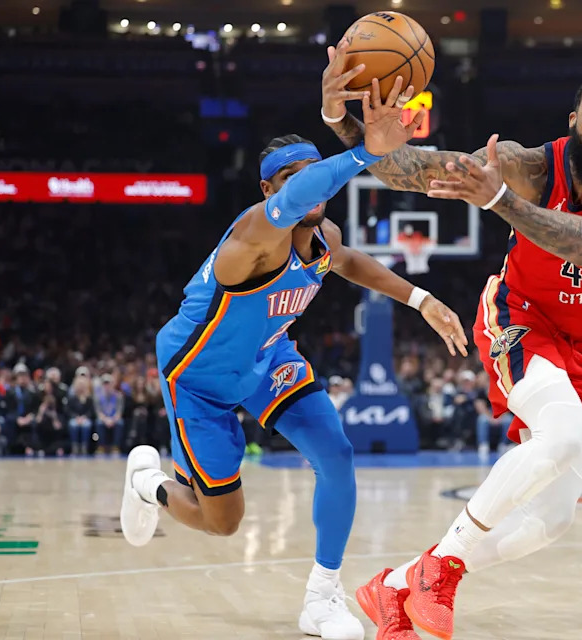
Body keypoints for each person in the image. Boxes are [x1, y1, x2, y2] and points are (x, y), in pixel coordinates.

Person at [119, 58, 468, 640]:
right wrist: (363, 152)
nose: (312, 186)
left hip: (266, 361)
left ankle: (322, 598)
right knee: (222, 522)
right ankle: (148, 485)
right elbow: (304, 194)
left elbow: (349, 261)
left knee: (337, 455)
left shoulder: (323, 238)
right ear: (268, 190)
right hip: (198, 380)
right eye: (294, 178)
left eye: (314, 173)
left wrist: (421, 299)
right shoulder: (253, 237)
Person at [323, 59, 582, 639]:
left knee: (554, 518)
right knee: (558, 437)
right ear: (574, 123)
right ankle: (442, 568)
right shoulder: (530, 165)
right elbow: (408, 168)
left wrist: (499, 202)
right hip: (519, 317)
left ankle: (395, 584)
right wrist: (342, 120)